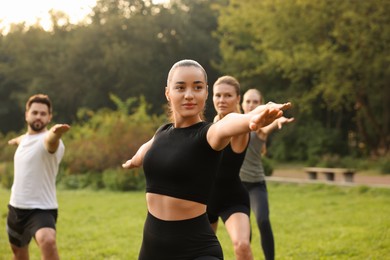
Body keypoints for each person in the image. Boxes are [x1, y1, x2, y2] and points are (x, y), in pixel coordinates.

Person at [122, 59, 291, 260]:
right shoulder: (162, 132)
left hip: (196, 251)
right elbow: (147, 147)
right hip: (152, 250)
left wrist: (253, 117)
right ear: (168, 92)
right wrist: (134, 159)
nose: (189, 95)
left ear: (205, 93)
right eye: (180, 87)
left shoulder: (209, 134)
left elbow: (229, 122)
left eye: (197, 87)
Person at [7, 94, 70, 260]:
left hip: (41, 209)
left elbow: (50, 141)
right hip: (15, 207)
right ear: (26, 114)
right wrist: (14, 141)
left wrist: (56, 133)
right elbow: (22, 139)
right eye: (34, 112)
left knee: (47, 240)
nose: (38, 117)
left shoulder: (49, 141)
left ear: (49, 117)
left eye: (43, 114)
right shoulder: (24, 139)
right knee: (19, 254)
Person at [240, 89, 294, 260]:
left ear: (260, 104)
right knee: (243, 232)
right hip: (237, 186)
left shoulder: (260, 129)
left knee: (263, 221)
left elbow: (269, 125)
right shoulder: (233, 123)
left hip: (256, 184)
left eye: (255, 102)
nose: (250, 105)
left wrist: (280, 120)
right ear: (241, 104)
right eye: (248, 101)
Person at [207, 75, 253, 260]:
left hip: (232, 199)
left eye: (227, 95)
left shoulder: (240, 126)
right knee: (204, 254)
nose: (222, 100)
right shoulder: (208, 127)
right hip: (204, 200)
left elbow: (238, 122)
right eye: (218, 95)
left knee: (242, 246)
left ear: (238, 99)